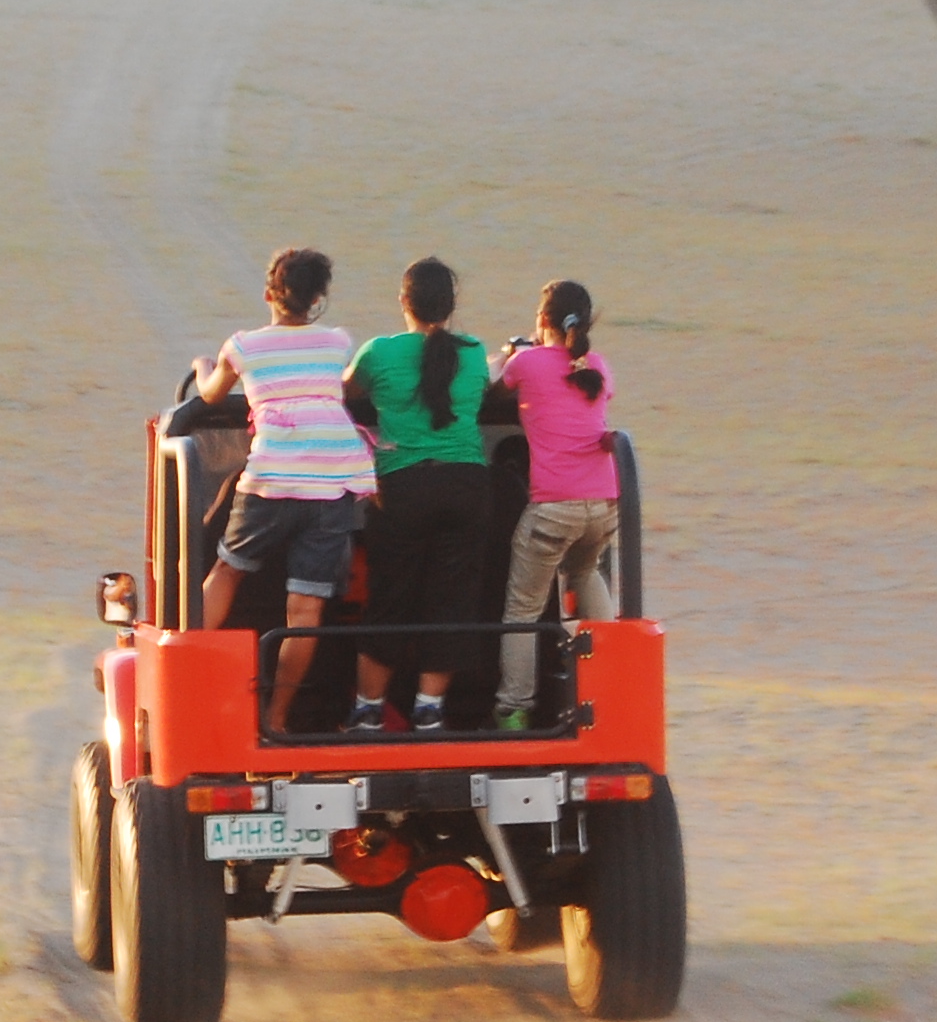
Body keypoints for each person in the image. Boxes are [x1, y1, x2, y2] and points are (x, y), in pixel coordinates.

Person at [192, 247, 377, 730]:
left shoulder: (244, 346)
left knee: (228, 570)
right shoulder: (337, 342)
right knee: (306, 608)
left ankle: (188, 674)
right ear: (318, 298)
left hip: (271, 479)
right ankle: (276, 717)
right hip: (332, 483)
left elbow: (211, 394)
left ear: (269, 294)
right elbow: (343, 387)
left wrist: (200, 367)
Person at [341, 257, 490, 732]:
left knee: (390, 596)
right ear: (452, 305)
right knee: (452, 599)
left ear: (403, 302)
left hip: (403, 488)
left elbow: (346, 391)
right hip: (467, 484)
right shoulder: (473, 351)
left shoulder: (379, 353)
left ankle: (368, 709)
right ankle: (430, 708)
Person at [489, 279, 618, 731]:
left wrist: (512, 354)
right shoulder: (597, 366)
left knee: (523, 607)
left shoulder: (526, 363)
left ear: (542, 321)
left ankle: (514, 707)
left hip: (553, 507)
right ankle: (612, 680)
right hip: (605, 502)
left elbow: (495, 389)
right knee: (585, 572)